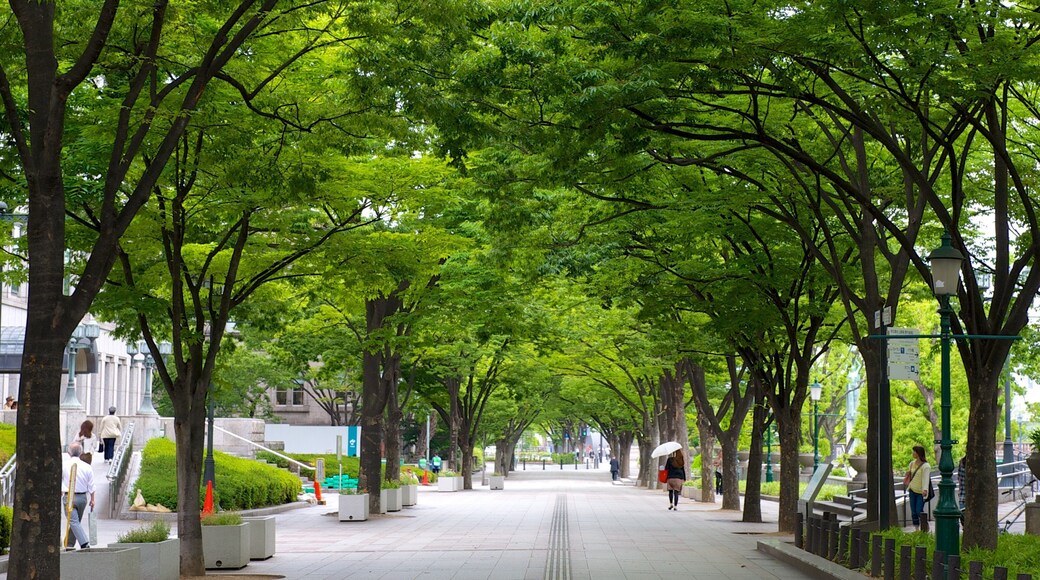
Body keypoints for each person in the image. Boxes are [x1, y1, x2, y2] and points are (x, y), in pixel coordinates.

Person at [61, 443, 95, 550]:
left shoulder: (64, 465)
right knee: (75, 521)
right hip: (82, 498)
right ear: (81, 452)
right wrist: (93, 499)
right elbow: (92, 485)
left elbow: (59, 480)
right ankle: (69, 544)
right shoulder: (87, 467)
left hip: (69, 497)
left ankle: (84, 542)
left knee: (74, 521)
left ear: (68, 452)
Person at [904, 445, 931, 529]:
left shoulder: (926, 466)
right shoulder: (912, 464)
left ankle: (924, 526)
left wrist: (925, 490)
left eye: (914, 451)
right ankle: (916, 528)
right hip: (912, 490)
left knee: (919, 510)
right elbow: (911, 474)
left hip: (920, 492)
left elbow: (926, 479)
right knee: (913, 512)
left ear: (919, 453)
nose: (913, 453)